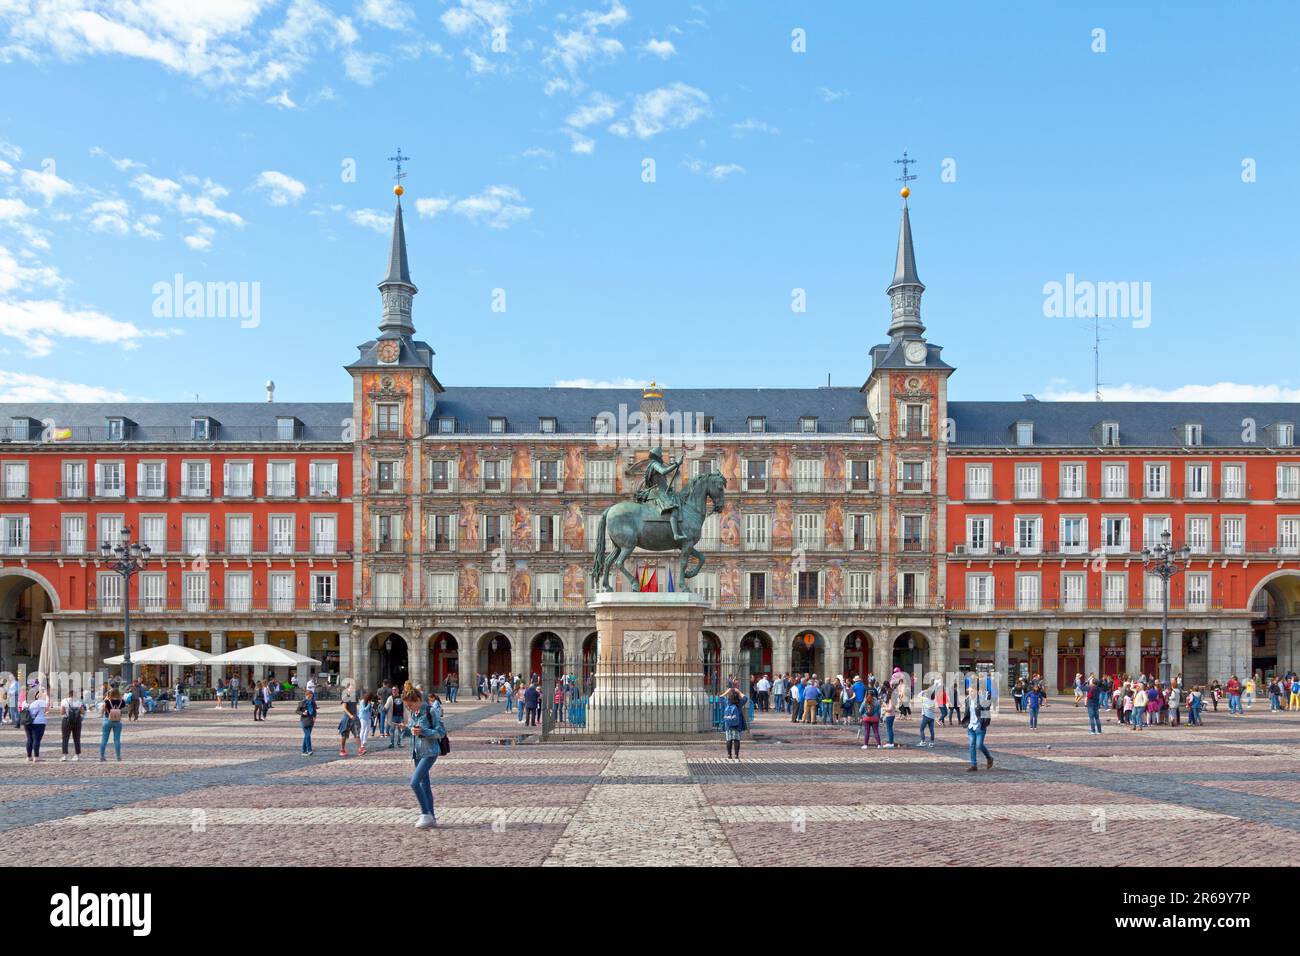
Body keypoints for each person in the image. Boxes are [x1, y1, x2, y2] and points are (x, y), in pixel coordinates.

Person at [406, 687, 446, 829]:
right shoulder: (413, 713)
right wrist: (404, 729)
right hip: (417, 753)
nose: (408, 708)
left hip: (429, 752)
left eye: (410, 705)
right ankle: (432, 817)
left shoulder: (431, 711)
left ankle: (425, 814)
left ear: (417, 700)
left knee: (414, 782)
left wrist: (423, 731)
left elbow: (440, 732)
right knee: (425, 785)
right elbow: (411, 732)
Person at [962, 683, 993, 772]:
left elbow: (987, 713)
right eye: (969, 691)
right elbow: (967, 712)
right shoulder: (967, 700)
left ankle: (989, 758)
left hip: (980, 726)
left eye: (972, 691)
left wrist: (983, 724)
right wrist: (966, 722)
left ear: (977, 691)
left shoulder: (982, 700)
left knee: (979, 745)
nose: (970, 693)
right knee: (972, 745)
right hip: (971, 726)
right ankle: (973, 765)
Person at [722, 685, 749, 758]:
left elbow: (720, 697)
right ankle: (736, 755)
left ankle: (729, 754)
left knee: (729, 740)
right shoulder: (739, 703)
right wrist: (739, 692)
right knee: (736, 739)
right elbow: (746, 698)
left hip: (728, 724)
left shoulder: (727, 702)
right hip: (737, 724)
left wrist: (727, 692)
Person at [21, 688, 48, 762]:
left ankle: (29, 756)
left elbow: (21, 710)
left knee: (29, 739)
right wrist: (43, 695)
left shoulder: (24, 702)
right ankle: (36, 756)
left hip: (27, 722)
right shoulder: (40, 702)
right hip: (39, 723)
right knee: (36, 740)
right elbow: (46, 709)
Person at [99, 686, 124, 761]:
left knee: (104, 739)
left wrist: (107, 697)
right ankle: (118, 757)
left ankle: (102, 756)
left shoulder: (107, 701)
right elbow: (122, 705)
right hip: (117, 721)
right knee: (117, 740)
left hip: (107, 720)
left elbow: (101, 711)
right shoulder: (121, 702)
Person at [60, 688, 85, 761]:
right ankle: (77, 755)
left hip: (66, 721)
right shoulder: (78, 701)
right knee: (77, 738)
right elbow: (82, 712)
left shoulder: (64, 701)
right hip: (77, 721)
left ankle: (64, 756)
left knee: (65, 738)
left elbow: (61, 712)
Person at [338, 688, 359, 757]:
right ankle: (342, 749)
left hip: (354, 718)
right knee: (344, 735)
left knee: (357, 733)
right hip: (347, 718)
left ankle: (360, 749)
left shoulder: (355, 697)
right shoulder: (346, 697)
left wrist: (356, 715)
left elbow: (355, 706)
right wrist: (350, 715)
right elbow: (344, 708)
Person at [296, 688, 317, 755]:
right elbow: (297, 711)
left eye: (311, 696)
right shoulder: (302, 702)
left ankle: (303, 751)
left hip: (311, 720)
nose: (310, 697)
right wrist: (302, 713)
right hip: (304, 720)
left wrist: (314, 717)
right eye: (309, 696)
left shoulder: (313, 702)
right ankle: (309, 750)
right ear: (306, 695)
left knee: (306, 736)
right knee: (307, 735)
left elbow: (315, 710)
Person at [918, 679, 938, 746]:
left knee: (921, 729)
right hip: (931, 717)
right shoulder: (933, 701)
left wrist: (925, 690)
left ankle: (923, 742)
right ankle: (932, 743)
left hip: (926, 716)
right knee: (931, 730)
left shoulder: (925, 699)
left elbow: (919, 695)